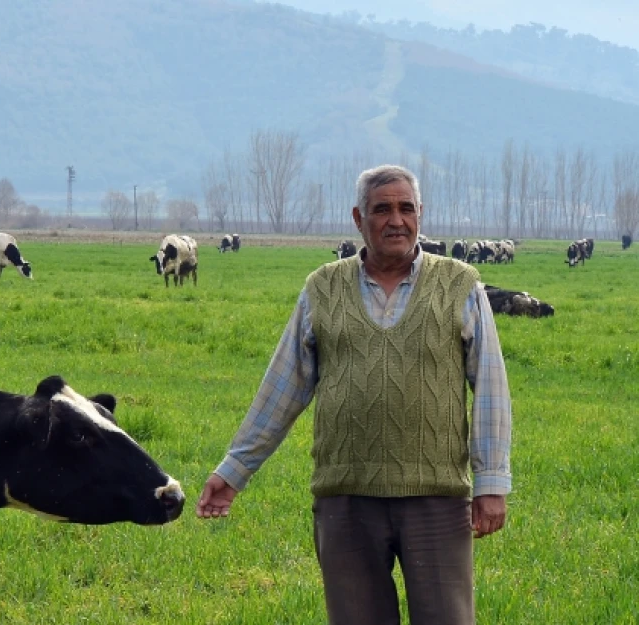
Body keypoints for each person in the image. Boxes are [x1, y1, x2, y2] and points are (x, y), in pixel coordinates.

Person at [197, 164, 511, 625]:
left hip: (437, 500)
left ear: (420, 214)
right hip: (345, 501)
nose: (395, 220)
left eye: (406, 208)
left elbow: (490, 389)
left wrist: (491, 483)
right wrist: (235, 469)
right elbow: (283, 387)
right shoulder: (322, 287)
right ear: (358, 219)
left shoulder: (458, 284)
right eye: (381, 209)